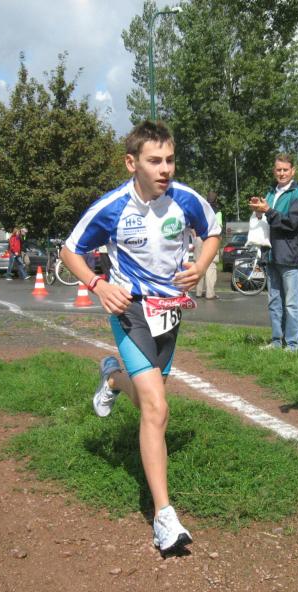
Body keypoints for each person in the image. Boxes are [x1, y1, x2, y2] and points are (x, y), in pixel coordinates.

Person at [59, 121, 221, 555]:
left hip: (170, 311)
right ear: (132, 163)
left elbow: (213, 231)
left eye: (169, 160)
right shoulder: (112, 207)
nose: (164, 169)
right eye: (154, 161)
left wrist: (201, 265)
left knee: (151, 401)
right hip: (129, 309)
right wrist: (97, 285)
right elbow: (69, 250)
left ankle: (113, 377)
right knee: (156, 406)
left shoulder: (186, 199)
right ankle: (163, 516)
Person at [248, 154, 298, 352]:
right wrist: (259, 211)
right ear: (274, 171)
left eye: (285, 169)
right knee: (274, 302)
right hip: (271, 255)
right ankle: (277, 342)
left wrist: (268, 211)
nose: (281, 173)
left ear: (293, 171)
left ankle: (294, 345)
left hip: (289, 256)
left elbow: (292, 223)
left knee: (291, 304)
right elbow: (266, 222)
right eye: (278, 169)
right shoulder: (270, 194)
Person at [194, 192, 221, 299]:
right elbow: (219, 227)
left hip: (199, 237)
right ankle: (210, 293)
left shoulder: (200, 209)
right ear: (216, 200)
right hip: (211, 238)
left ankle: (198, 292)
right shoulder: (217, 212)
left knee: (199, 262)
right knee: (211, 264)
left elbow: (193, 224)